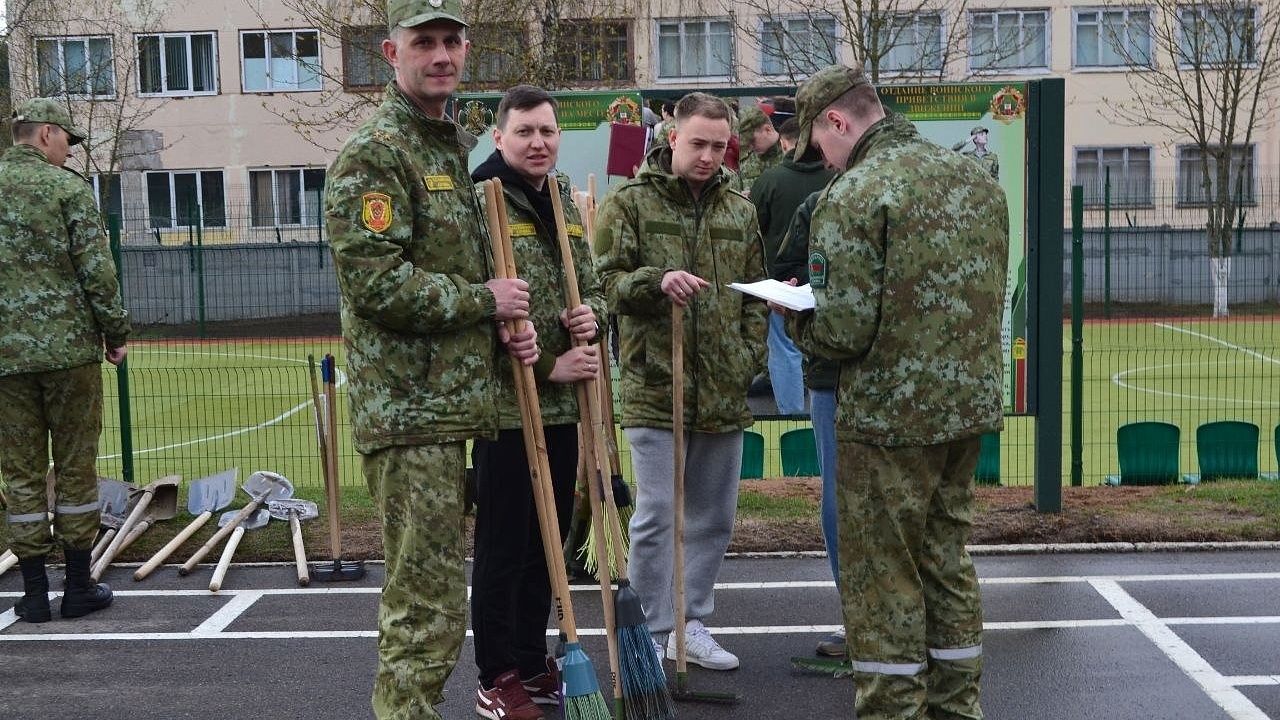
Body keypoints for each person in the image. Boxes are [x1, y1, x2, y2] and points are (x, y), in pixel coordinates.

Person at [323, 2, 539, 718]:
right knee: (424, 610)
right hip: (410, 412)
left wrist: (503, 325)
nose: (442, 55)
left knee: (439, 605)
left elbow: (465, 272)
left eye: (452, 41)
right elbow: (377, 282)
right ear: (392, 52)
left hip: (455, 407)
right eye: (425, 43)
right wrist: (484, 301)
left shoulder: (451, 145)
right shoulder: (378, 154)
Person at [785, 64, 1008, 719]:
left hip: (886, 420)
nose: (819, 159)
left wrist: (795, 314)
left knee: (882, 576)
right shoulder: (975, 178)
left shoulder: (855, 193)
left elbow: (843, 330)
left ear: (837, 120)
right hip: (965, 409)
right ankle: (957, 706)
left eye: (818, 144)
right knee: (946, 558)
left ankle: (893, 709)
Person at [593, 91, 767, 671]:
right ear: (673, 137)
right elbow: (605, 284)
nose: (709, 156)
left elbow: (754, 295)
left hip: (722, 388)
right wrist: (654, 280)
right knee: (656, 513)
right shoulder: (630, 204)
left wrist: (747, 356)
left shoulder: (739, 209)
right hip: (654, 383)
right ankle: (650, 628)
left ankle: (690, 623)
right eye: (698, 143)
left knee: (713, 516)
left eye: (719, 146)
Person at [468, 84, 606, 720]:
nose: (538, 142)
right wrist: (552, 366)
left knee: (542, 544)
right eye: (524, 131)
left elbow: (593, 280)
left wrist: (593, 319)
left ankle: (529, 658)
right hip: (507, 404)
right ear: (499, 138)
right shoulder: (481, 199)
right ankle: (496, 673)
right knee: (505, 542)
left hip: (560, 408)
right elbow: (480, 310)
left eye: (547, 131)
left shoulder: (560, 199)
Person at [0, 98, 130, 624]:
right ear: (45, 135)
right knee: (75, 466)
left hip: (4, 359)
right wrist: (114, 332)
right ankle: (78, 585)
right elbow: (96, 270)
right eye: (67, 142)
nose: (67, 152)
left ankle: (33, 594)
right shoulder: (67, 190)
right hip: (69, 352)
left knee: (20, 473)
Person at [773, 191, 845, 657]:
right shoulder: (817, 203)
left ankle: (893, 623)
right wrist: (794, 292)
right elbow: (787, 269)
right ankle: (861, 617)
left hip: (859, 376)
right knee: (839, 495)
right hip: (832, 377)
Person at [750, 117, 836, 416]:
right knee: (826, 352)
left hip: (782, 283)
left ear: (788, 144)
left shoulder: (769, 180)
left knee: (784, 350)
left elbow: (753, 229)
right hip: (830, 283)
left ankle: (791, 414)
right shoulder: (835, 181)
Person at [736, 104, 782, 192]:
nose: (750, 147)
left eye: (752, 141)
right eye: (747, 143)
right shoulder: (745, 158)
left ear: (767, 130)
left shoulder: (792, 153)